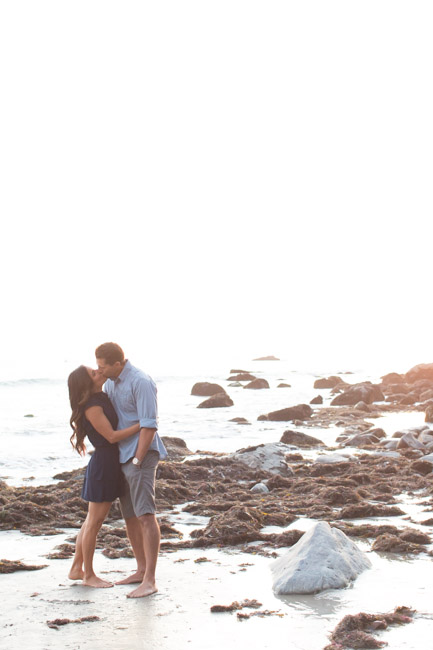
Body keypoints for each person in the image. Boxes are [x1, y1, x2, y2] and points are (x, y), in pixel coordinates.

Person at [95, 342, 167, 598]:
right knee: (130, 517)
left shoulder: (141, 382)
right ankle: (140, 569)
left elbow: (149, 425)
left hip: (141, 456)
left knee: (146, 515)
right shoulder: (111, 382)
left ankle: (150, 580)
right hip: (122, 457)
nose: (99, 370)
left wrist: (137, 460)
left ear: (118, 363)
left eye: (102, 366)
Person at [67, 365, 141, 588]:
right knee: (94, 523)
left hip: (109, 464)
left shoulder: (102, 395)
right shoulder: (92, 406)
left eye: (96, 369)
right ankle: (88, 575)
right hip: (104, 466)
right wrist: (142, 425)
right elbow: (111, 436)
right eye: (93, 373)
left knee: (91, 521)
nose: (98, 371)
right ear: (86, 384)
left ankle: (75, 568)